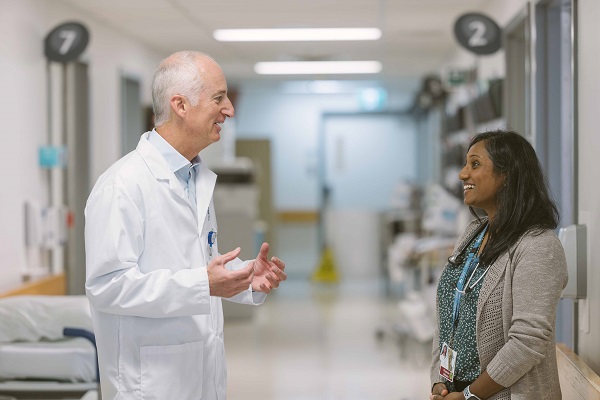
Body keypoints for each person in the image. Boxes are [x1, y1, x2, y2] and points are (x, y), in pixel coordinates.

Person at [85, 51, 287, 400]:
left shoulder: (194, 178)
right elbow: (107, 285)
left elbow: (191, 264)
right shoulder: (123, 184)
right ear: (180, 105)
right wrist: (202, 284)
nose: (229, 110)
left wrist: (243, 278)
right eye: (218, 98)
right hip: (149, 384)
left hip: (200, 376)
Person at [429, 130, 567, 400]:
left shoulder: (537, 246)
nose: (462, 174)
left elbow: (528, 342)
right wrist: (439, 381)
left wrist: (470, 395)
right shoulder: (472, 234)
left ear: (506, 176)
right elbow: (446, 318)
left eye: (475, 164)